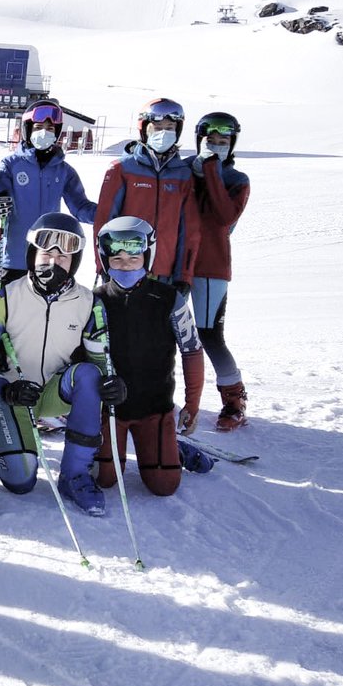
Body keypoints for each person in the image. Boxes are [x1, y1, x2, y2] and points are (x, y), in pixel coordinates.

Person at [0, 212, 120, 516]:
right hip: (14, 396)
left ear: (75, 260)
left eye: (64, 255)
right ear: (31, 254)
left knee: (88, 376)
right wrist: (5, 385)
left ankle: (75, 474)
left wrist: (111, 383)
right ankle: (6, 434)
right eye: (45, 252)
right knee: (20, 481)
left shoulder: (89, 303)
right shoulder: (5, 297)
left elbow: (99, 361)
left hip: (55, 393)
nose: (53, 261)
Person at [92, 217, 208, 497]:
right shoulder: (94, 300)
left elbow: (192, 350)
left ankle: (175, 449)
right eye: (117, 259)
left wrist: (192, 403)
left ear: (147, 256)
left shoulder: (169, 299)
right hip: (110, 410)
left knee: (164, 486)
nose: (125, 265)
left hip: (155, 407)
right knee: (104, 479)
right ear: (105, 260)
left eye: (133, 258)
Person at [95, 98, 201, 294]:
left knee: (162, 324)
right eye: (157, 127)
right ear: (144, 129)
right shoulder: (122, 169)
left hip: (165, 273)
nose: (163, 133)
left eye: (170, 127)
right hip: (126, 269)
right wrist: (104, 266)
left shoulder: (183, 175)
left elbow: (189, 231)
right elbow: (104, 222)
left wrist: (183, 275)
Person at [189, 112, 252, 431]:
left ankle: (234, 399)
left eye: (222, 142)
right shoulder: (185, 170)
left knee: (209, 335)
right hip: (173, 264)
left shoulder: (237, 180)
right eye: (209, 141)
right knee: (156, 332)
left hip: (211, 267)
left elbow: (224, 216)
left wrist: (211, 169)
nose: (215, 146)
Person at [0, 98, 97, 287]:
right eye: (39, 127)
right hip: (13, 257)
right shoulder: (11, 165)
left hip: (48, 257)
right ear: (27, 129)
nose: (44, 133)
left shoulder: (63, 170)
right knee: (10, 311)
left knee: (43, 313)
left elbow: (80, 207)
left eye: (50, 129)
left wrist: (108, 214)